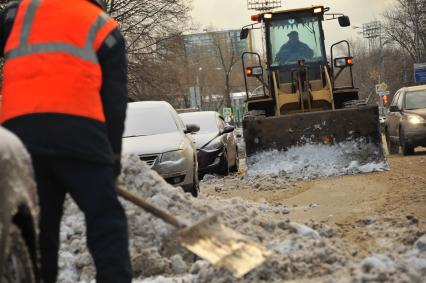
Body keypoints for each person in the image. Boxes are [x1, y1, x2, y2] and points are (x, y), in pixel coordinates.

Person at [0, 0, 132, 282]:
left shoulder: (16, 14)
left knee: (40, 231)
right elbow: (114, 102)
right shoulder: (104, 27)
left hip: (21, 139)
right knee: (106, 221)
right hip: (81, 138)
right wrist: (113, 159)